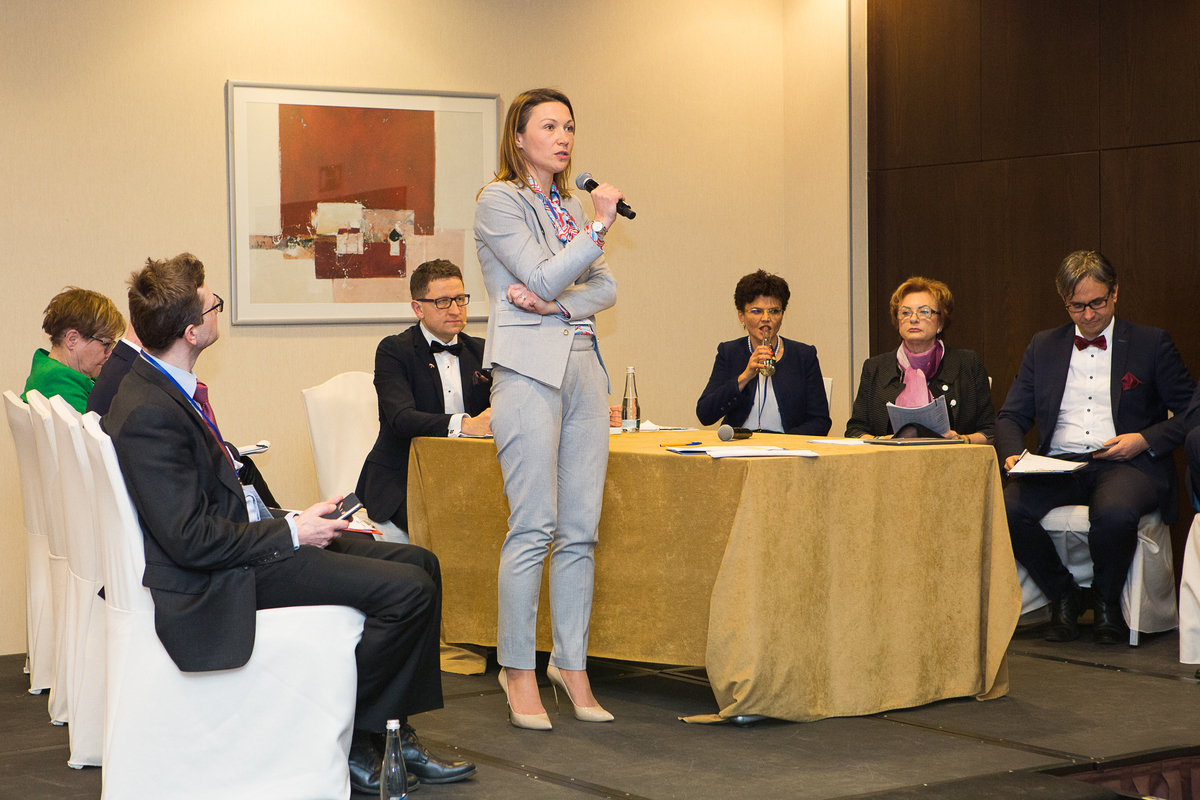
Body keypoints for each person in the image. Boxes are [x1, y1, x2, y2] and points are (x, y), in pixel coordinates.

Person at [103, 253, 475, 793]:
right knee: (408, 591)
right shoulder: (150, 412)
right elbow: (188, 539)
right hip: (219, 578)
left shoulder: (163, 386)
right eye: (212, 305)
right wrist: (293, 534)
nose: (217, 310)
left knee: (422, 563)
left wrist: (293, 518)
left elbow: (209, 502)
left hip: (244, 545)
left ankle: (393, 732)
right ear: (191, 332)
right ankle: (358, 737)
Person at [474, 88, 620, 730]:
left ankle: (571, 663)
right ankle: (517, 669)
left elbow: (604, 287)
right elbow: (540, 274)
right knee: (534, 525)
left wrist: (558, 303)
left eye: (570, 127)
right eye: (550, 126)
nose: (563, 137)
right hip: (528, 369)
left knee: (580, 529)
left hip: (585, 365)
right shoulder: (498, 200)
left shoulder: (568, 205)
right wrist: (596, 232)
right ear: (519, 137)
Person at [996, 250, 1195, 644]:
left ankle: (1106, 601)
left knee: (1114, 513)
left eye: (1097, 303)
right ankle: (1063, 595)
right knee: (1007, 509)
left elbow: (1193, 411)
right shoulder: (1043, 346)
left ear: (1115, 292)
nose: (1088, 315)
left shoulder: (1150, 343)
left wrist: (1143, 439)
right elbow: (1010, 415)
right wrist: (1013, 454)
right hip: (1059, 463)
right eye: (1077, 306)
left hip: (1127, 463)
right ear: (1064, 302)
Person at [357, 259, 492, 542]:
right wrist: (465, 425)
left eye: (460, 299)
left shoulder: (482, 351)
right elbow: (402, 419)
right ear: (418, 308)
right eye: (443, 302)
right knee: (455, 526)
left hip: (473, 474)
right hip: (405, 479)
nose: (455, 310)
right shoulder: (394, 350)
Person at [87, 320, 280, 508]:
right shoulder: (142, 392)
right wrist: (289, 528)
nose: (215, 314)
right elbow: (180, 515)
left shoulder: (130, 370)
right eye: (211, 309)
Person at [845, 277, 995, 443]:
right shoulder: (875, 368)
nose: (913, 319)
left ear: (940, 322)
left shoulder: (967, 364)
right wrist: (881, 441)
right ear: (897, 322)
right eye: (905, 313)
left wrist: (962, 440)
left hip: (951, 457)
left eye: (924, 312)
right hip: (888, 457)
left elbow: (991, 432)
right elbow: (855, 431)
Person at [696, 270, 831, 435]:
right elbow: (705, 414)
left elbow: (821, 421)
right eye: (756, 311)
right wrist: (744, 377)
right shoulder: (729, 352)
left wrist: (785, 443)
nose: (766, 318)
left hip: (786, 446)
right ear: (741, 316)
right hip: (740, 444)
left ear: (782, 315)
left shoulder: (804, 355)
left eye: (774, 311)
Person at [23, 287, 124, 413]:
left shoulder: (48, 368)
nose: (109, 353)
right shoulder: (57, 383)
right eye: (106, 344)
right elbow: (99, 424)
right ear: (72, 339)